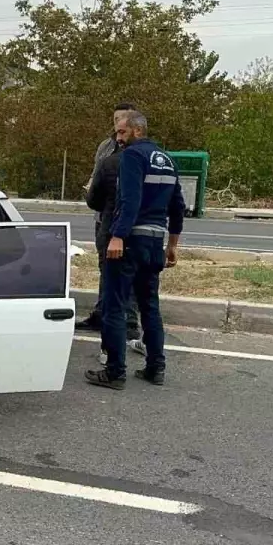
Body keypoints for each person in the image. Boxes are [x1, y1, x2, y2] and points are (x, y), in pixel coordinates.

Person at [86, 111, 185, 390]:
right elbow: (177, 206)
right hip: (155, 242)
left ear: (137, 131)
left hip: (129, 242)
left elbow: (129, 200)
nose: (118, 138)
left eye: (121, 133)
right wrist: (173, 245)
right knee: (149, 307)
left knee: (115, 305)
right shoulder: (167, 160)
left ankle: (115, 371)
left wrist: (117, 237)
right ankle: (156, 367)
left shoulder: (132, 157)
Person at [78, 103, 141, 347]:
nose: (118, 124)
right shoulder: (105, 147)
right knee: (104, 268)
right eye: (115, 119)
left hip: (126, 222)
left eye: (123, 120)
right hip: (102, 218)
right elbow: (97, 175)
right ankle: (100, 314)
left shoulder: (138, 151)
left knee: (128, 274)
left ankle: (129, 323)